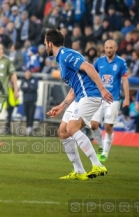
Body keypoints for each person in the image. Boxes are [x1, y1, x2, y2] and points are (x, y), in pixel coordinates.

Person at [45, 29, 113, 180]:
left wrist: (102, 89)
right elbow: (74, 88)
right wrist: (61, 106)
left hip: (90, 95)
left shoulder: (66, 55)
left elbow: (88, 67)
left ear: (50, 43)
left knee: (71, 127)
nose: (45, 46)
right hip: (80, 96)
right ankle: (79, 171)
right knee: (63, 131)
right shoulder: (61, 59)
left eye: (45, 43)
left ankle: (98, 165)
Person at [90, 39, 129, 162]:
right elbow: (92, 76)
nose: (108, 50)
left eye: (111, 48)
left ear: (115, 48)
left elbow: (125, 80)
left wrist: (127, 98)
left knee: (108, 126)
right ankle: (101, 145)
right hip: (98, 97)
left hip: (113, 99)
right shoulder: (99, 61)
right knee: (93, 125)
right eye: (106, 48)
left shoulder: (121, 63)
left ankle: (105, 152)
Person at [20, 70, 39, 136]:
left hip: (32, 101)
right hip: (25, 100)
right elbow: (22, 88)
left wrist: (27, 87)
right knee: (27, 115)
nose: (27, 74)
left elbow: (35, 88)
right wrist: (29, 87)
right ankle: (28, 128)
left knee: (31, 115)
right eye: (26, 73)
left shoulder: (34, 79)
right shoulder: (23, 80)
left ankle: (30, 128)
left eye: (28, 73)